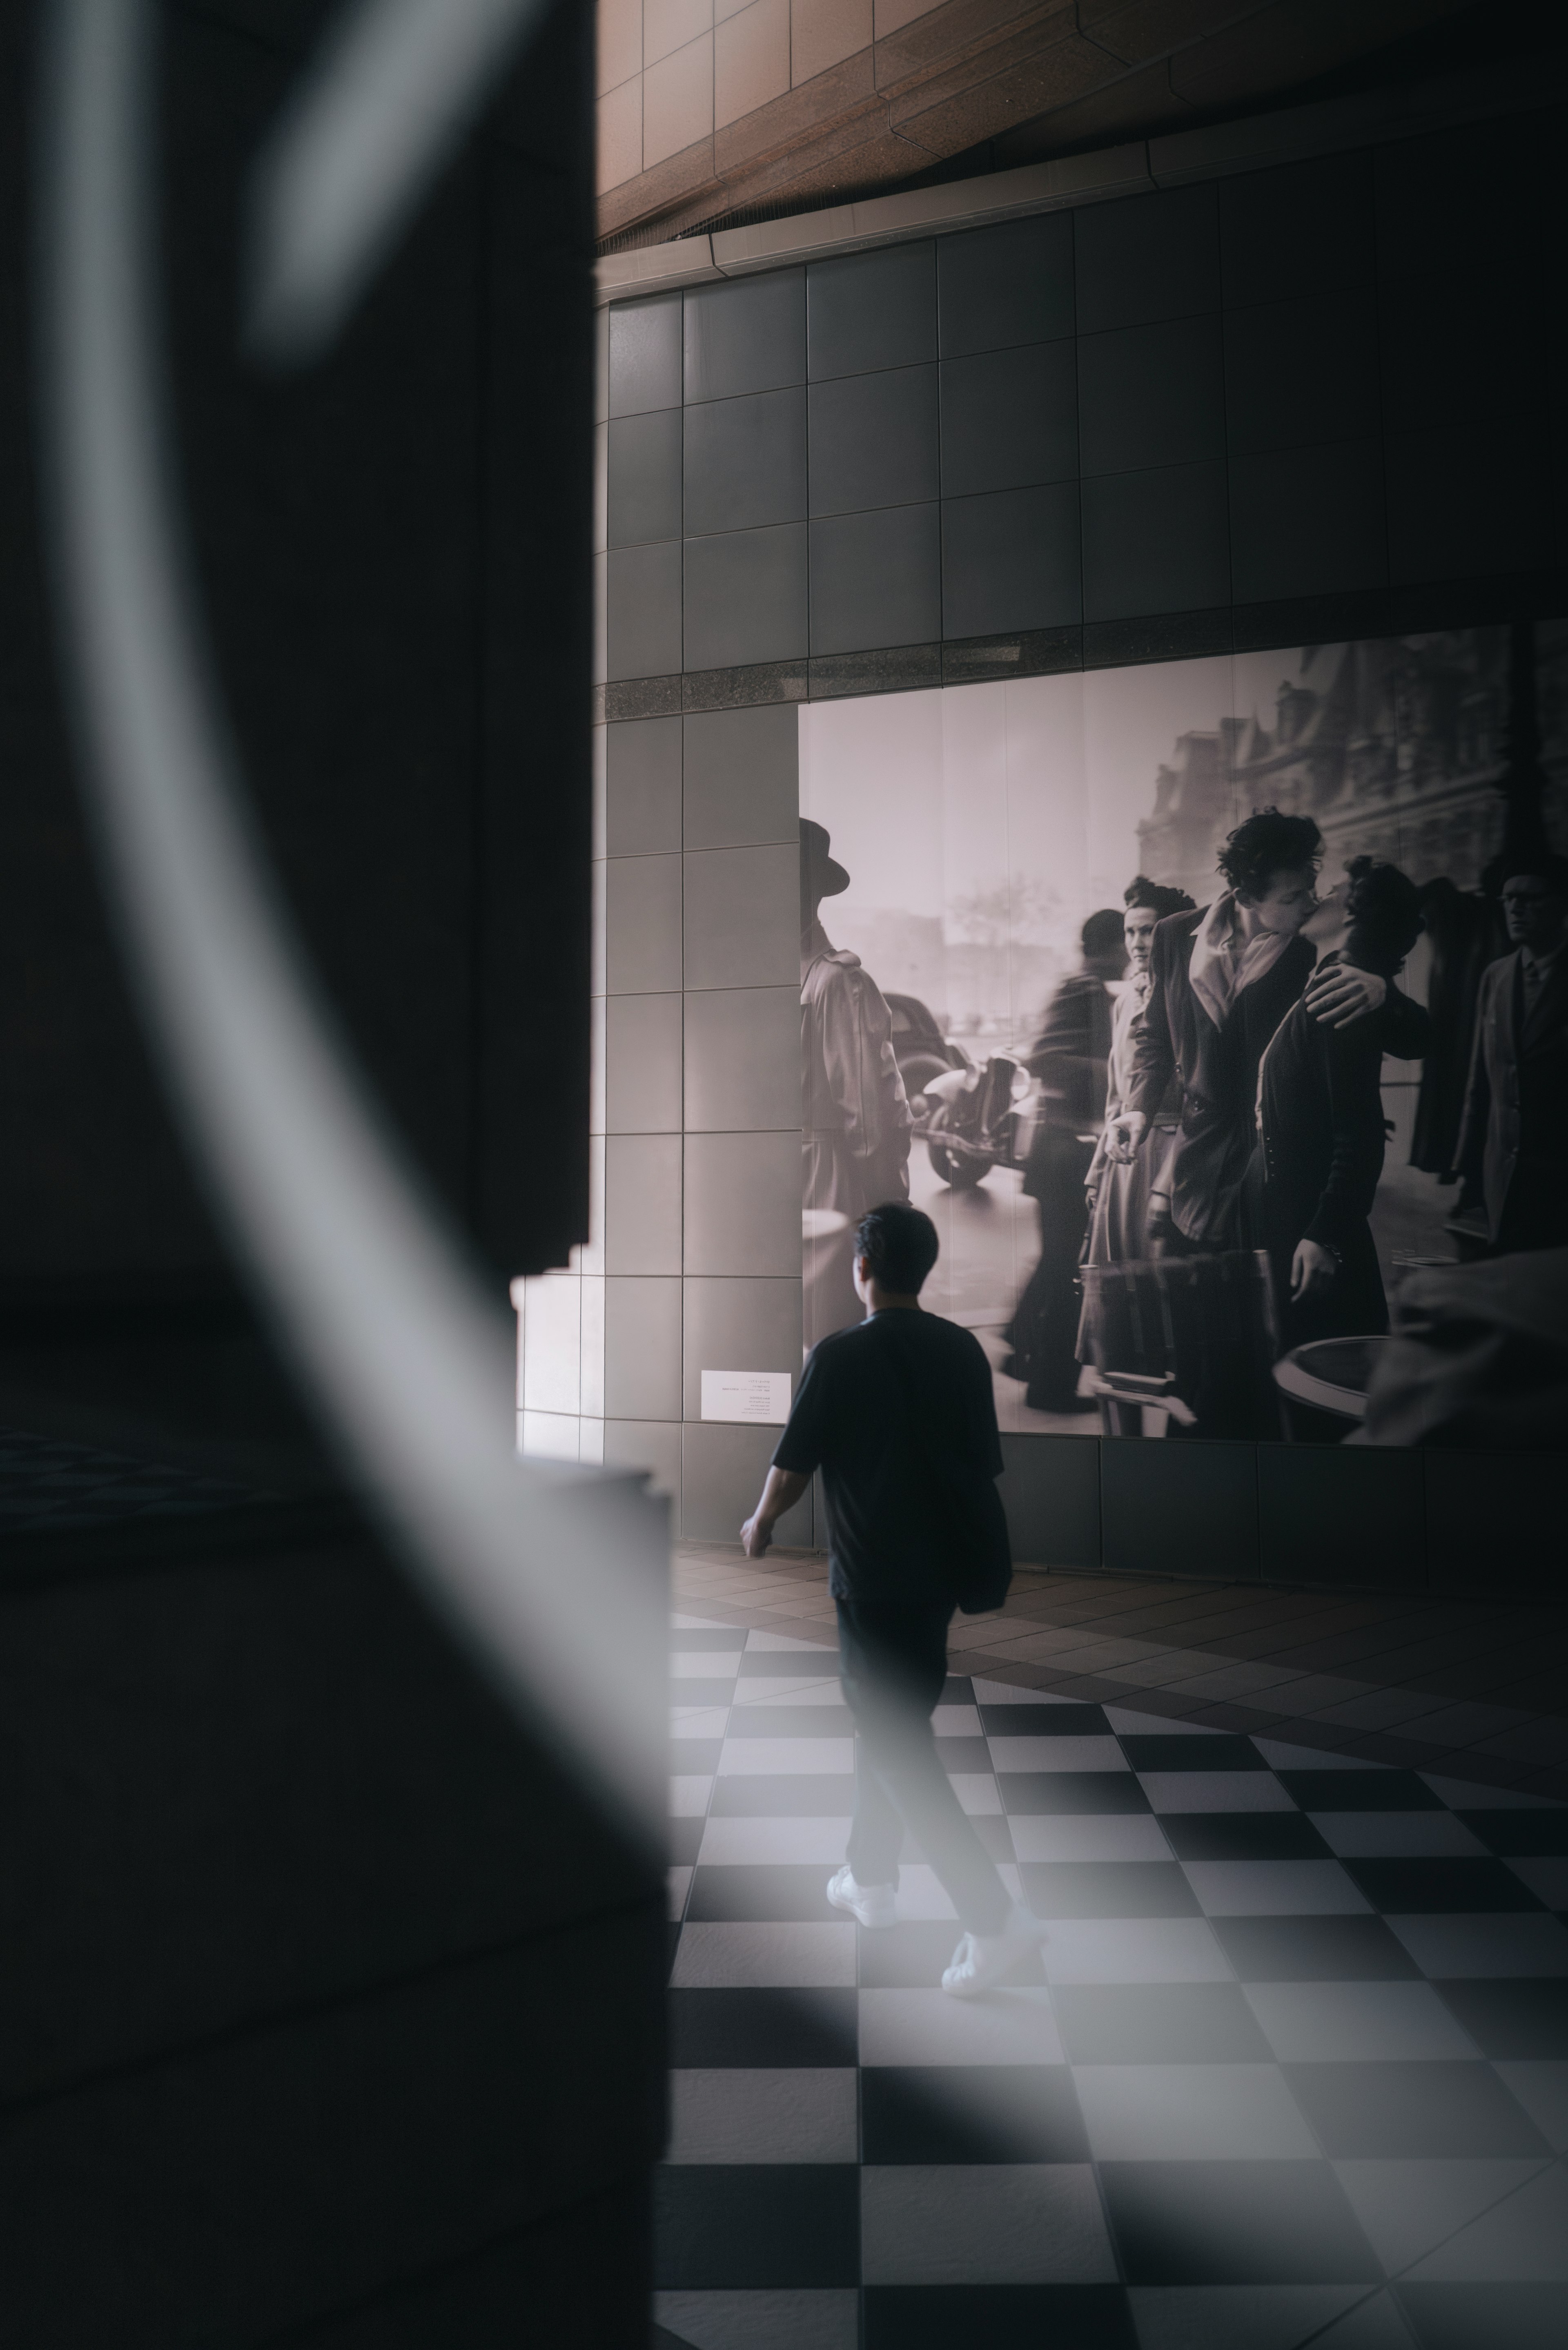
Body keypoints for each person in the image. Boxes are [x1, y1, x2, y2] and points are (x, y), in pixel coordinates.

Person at [740, 1201, 1048, 2000]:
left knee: (898, 1746)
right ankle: (870, 1880)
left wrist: (763, 1520)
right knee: (893, 1726)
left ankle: (993, 1922)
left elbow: (795, 1461)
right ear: (927, 1266)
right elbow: (984, 1465)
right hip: (940, 1581)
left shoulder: (839, 1355)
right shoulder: (962, 1352)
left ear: (864, 1268)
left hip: (871, 1580)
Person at [1107, 807, 1429, 1251]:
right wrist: (1138, 1106)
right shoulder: (1174, 936)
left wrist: (1382, 992)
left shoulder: (1315, 946)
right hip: (1199, 1170)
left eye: (1310, 890)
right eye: (1293, 897)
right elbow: (1156, 1037)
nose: (1310, 904)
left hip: (1285, 1170)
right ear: (1243, 897)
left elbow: (1419, 1037)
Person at [1252, 857, 1426, 1349]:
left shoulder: (1342, 990)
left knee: (1325, 1373)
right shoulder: (1329, 975)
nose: (1317, 896)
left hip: (1313, 1225)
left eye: (1332, 890)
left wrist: (1325, 1235)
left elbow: (1360, 1131)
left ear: (1351, 914)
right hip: (1299, 1215)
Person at [1002, 909, 1125, 1412]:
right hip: (1067, 1151)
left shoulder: (1083, 988)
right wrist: (1113, 1072)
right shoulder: (1087, 991)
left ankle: (1019, 1350)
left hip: (1057, 1151)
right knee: (1073, 1270)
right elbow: (1045, 1059)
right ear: (1110, 947)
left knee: (1058, 1263)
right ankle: (1049, 1385)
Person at [800, 820, 912, 1349]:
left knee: (827, 1341)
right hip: (814, 1182)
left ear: (811, 892)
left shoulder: (834, 980)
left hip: (821, 1182)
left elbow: (869, 1115)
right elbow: (872, 1114)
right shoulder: (829, 979)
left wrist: (885, 1195)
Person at [1454, 854, 1568, 1255]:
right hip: (1501, 1177)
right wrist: (1468, 1166)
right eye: (1508, 900)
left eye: (1530, 898)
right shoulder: (1497, 976)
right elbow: (1479, 1079)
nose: (1516, 908)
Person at [1081, 878, 1195, 1271]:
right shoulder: (1126, 1001)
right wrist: (1099, 1171)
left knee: (1163, 1273)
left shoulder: (1193, 993)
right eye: (1130, 932)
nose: (1137, 942)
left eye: (1147, 931)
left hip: (1178, 1150)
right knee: (1122, 1274)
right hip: (1128, 1153)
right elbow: (1118, 1092)